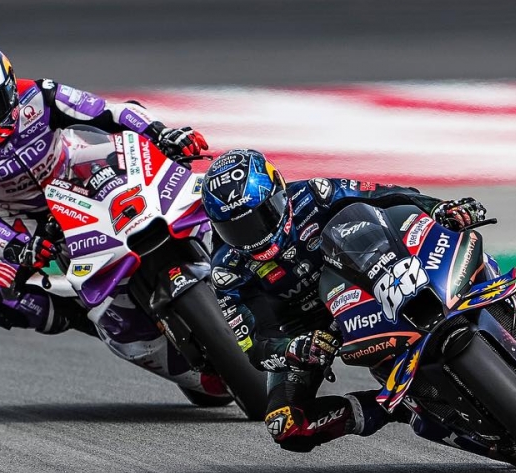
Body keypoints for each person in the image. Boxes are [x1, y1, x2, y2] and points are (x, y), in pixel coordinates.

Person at [0, 43, 227, 401]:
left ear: (9, 91)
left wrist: (162, 133)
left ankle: (227, 250)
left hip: (77, 174)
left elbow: (110, 111)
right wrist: (15, 246)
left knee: (159, 149)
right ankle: (83, 315)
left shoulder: (40, 95)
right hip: (23, 223)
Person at [201, 149, 492, 452]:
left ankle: (491, 300)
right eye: (235, 228)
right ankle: (396, 406)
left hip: (364, 282)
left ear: (279, 195)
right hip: (311, 333)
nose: (253, 235)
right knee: (286, 425)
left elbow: (389, 196)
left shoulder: (315, 194)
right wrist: (292, 348)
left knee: (443, 239)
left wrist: (440, 209)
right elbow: (254, 346)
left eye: (261, 217)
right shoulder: (227, 271)